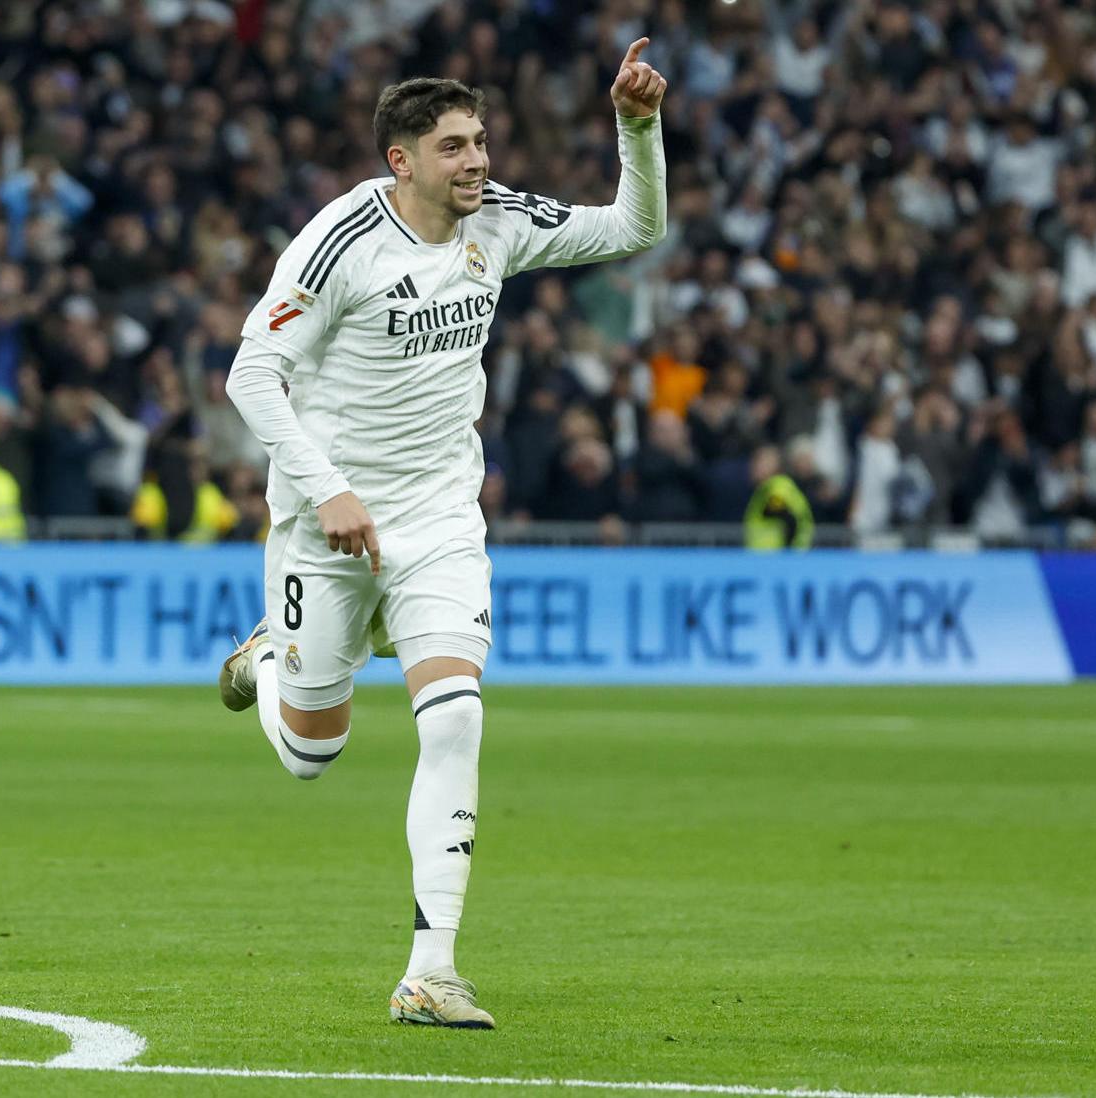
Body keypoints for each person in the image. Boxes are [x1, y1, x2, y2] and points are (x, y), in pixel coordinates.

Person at [217, 42, 668, 1029]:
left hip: (438, 522)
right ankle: (267, 663)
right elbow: (251, 376)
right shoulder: (337, 244)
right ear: (401, 160)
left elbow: (637, 224)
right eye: (455, 146)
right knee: (308, 756)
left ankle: (431, 968)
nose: (478, 161)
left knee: (456, 718)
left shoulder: (496, 221)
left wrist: (636, 127)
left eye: (482, 141)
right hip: (326, 526)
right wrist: (328, 489)